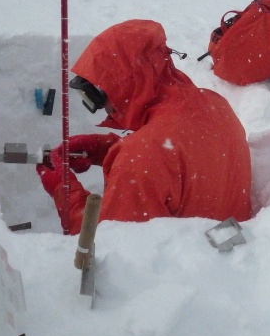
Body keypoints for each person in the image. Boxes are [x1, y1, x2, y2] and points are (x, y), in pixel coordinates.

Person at [36, 20, 252, 235]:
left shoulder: (141, 158)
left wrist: (65, 193)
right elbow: (187, 154)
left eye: (94, 97)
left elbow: (108, 240)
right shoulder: (215, 104)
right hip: (228, 247)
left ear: (121, 86)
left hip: (181, 257)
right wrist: (107, 149)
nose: (100, 108)